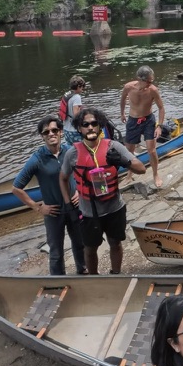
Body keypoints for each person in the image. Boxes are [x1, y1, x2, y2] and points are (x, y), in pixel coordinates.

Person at [59, 107, 146, 275]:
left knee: (115, 243)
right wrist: (68, 203)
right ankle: (94, 278)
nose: (90, 127)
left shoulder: (114, 147)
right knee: (90, 249)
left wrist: (122, 161)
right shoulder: (72, 154)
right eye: (86, 124)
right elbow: (63, 178)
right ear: (79, 128)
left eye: (94, 123)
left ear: (100, 126)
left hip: (114, 208)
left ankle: (116, 274)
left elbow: (141, 169)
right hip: (89, 213)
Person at [12, 115, 87, 275]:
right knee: (56, 253)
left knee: (80, 244)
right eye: (46, 132)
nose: (51, 134)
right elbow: (16, 188)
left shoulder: (71, 151)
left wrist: (80, 192)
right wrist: (38, 208)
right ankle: (58, 282)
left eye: (54, 130)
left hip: (75, 207)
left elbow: (85, 172)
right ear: (43, 136)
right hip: (54, 213)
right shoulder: (37, 159)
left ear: (61, 132)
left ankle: (83, 271)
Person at [120, 65, 166, 188]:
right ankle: (129, 175)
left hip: (148, 120)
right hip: (133, 121)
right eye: (149, 81)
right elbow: (123, 99)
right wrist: (122, 113)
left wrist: (159, 126)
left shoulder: (152, 90)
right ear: (140, 79)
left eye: (152, 81)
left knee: (151, 150)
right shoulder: (128, 87)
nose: (151, 83)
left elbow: (161, 108)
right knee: (129, 150)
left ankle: (155, 174)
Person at [59, 75, 86, 145]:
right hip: (74, 131)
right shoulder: (77, 97)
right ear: (78, 86)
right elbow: (76, 115)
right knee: (82, 149)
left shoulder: (67, 95)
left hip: (66, 130)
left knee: (71, 150)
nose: (83, 89)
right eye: (82, 87)